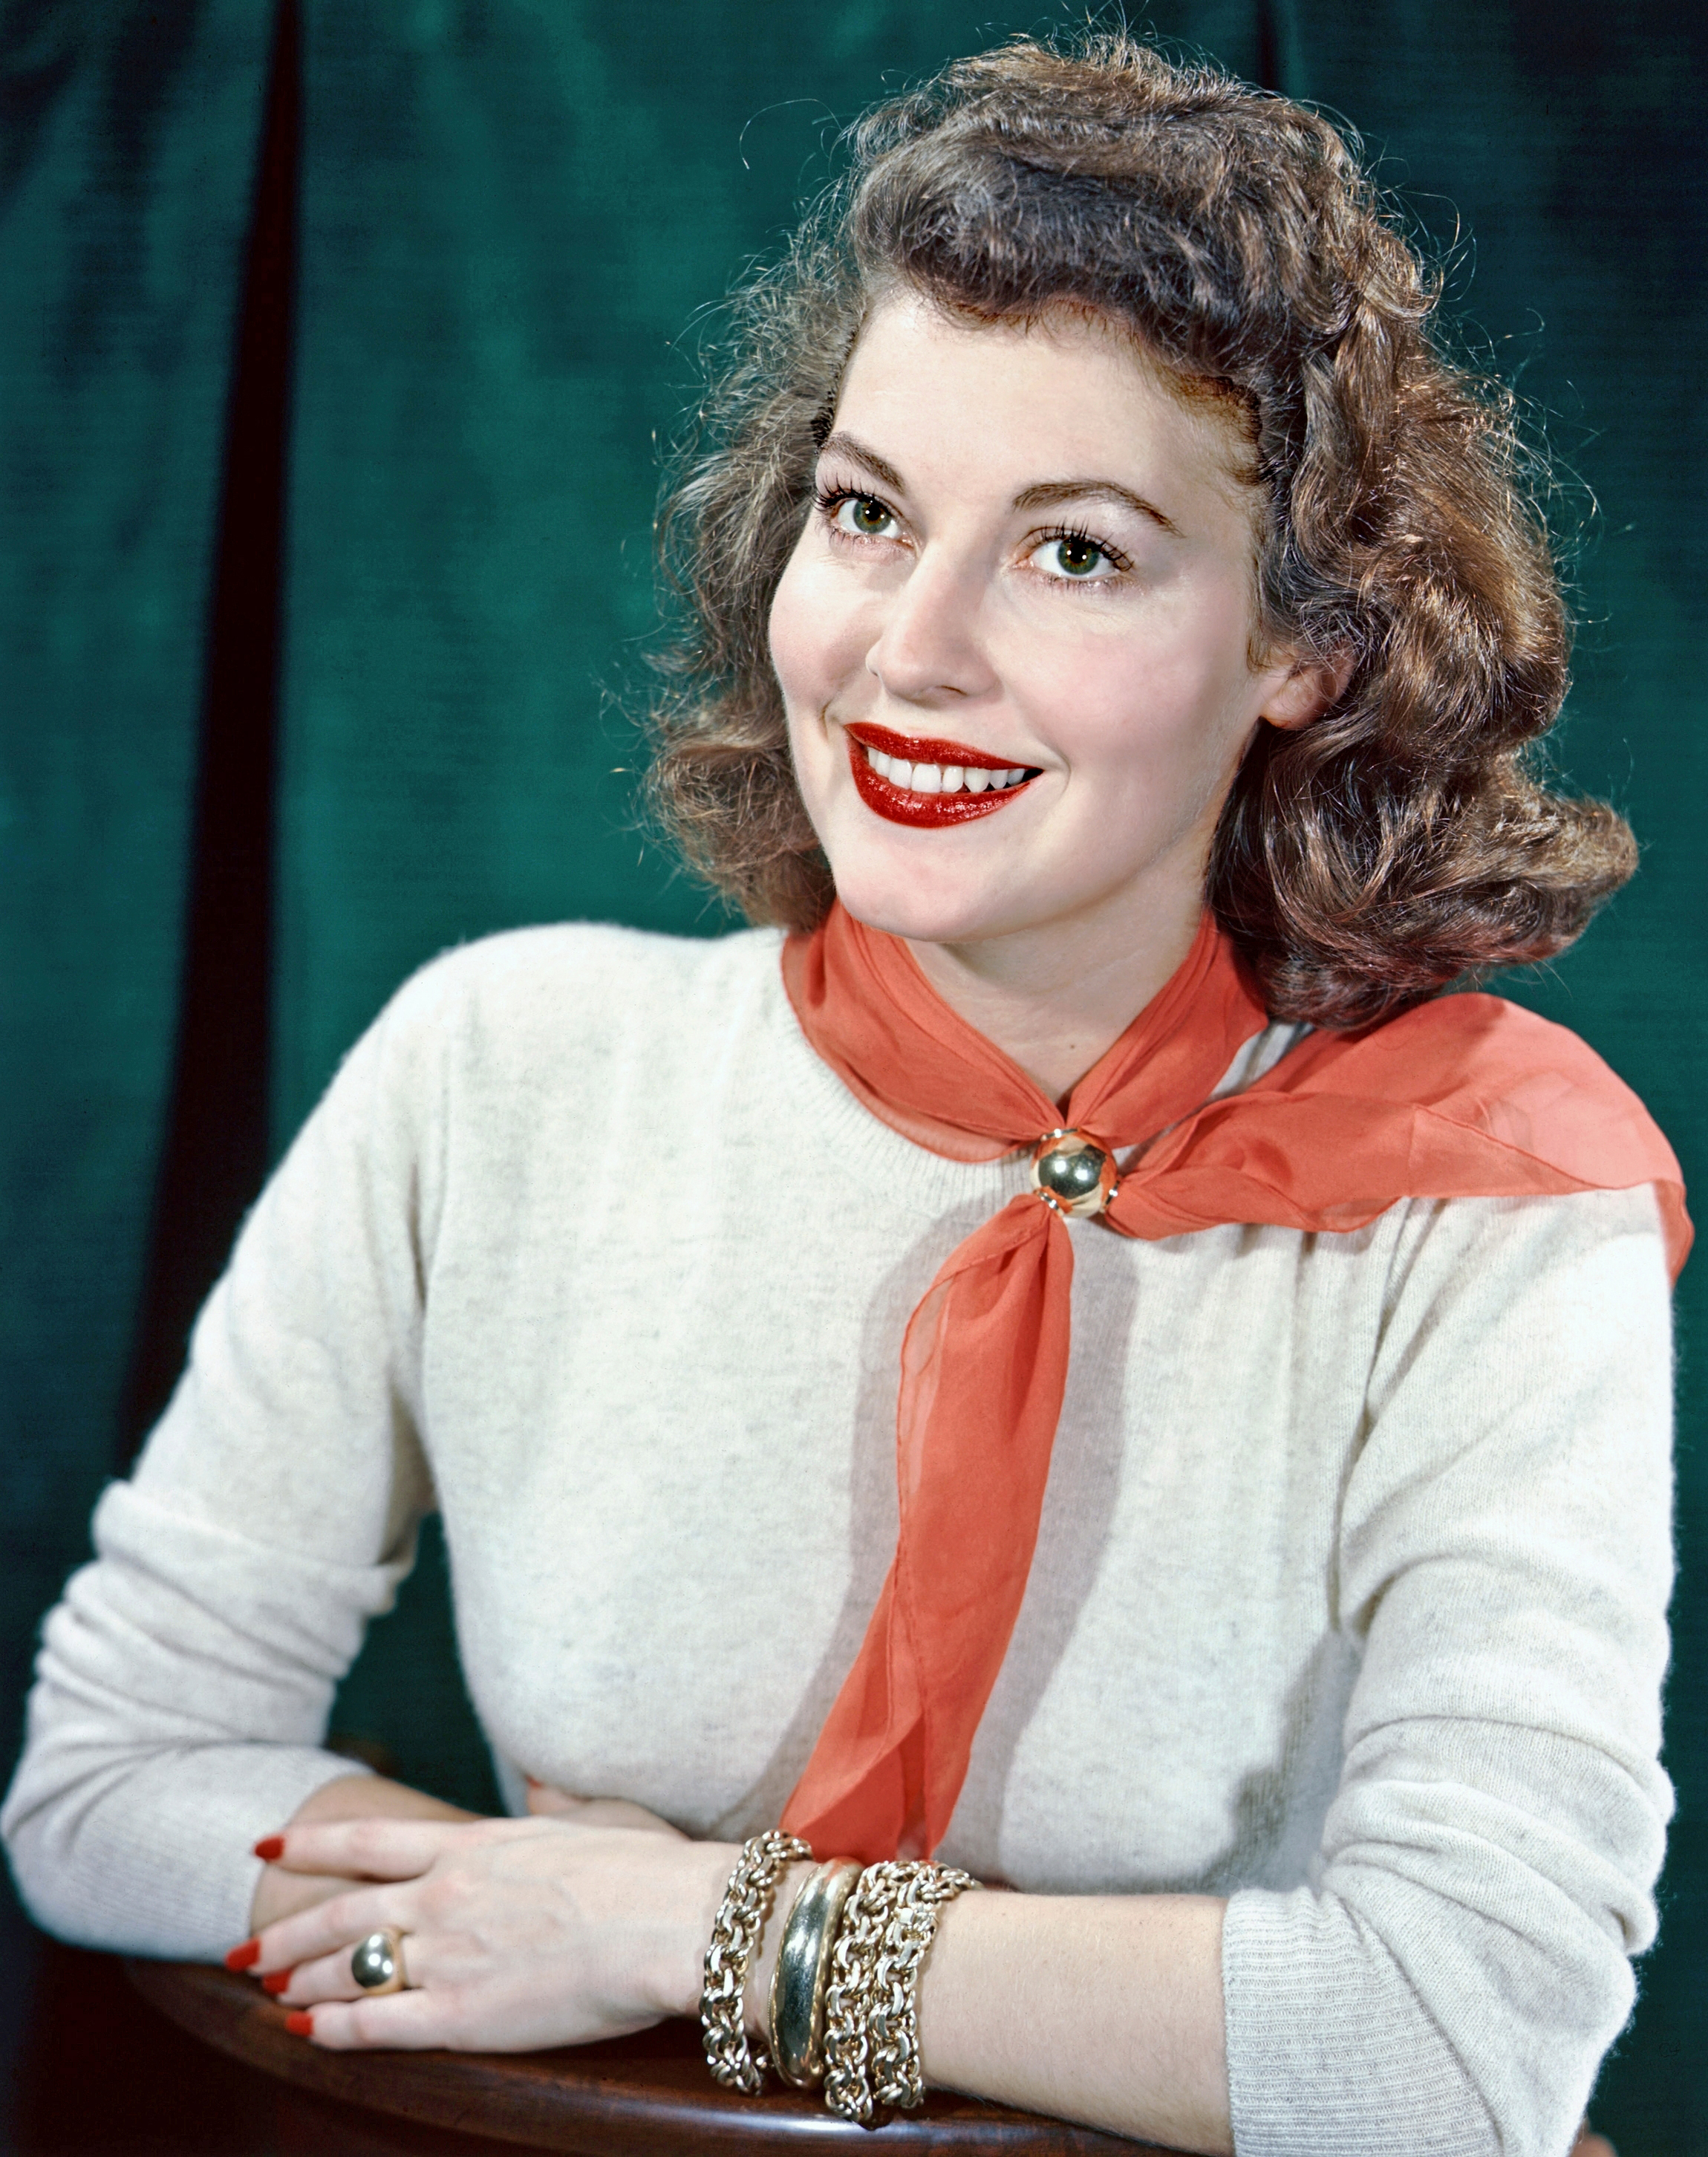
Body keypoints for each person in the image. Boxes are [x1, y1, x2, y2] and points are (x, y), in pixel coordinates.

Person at [2, 33, 1686, 2157]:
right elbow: (109, 1777)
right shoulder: (494, 1066)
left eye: (1077, 554)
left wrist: (685, 1931)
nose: (912, 649)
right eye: (868, 513)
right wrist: (527, 1914)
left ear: (1303, 651)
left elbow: (1454, 2051)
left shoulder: (1492, 1190)